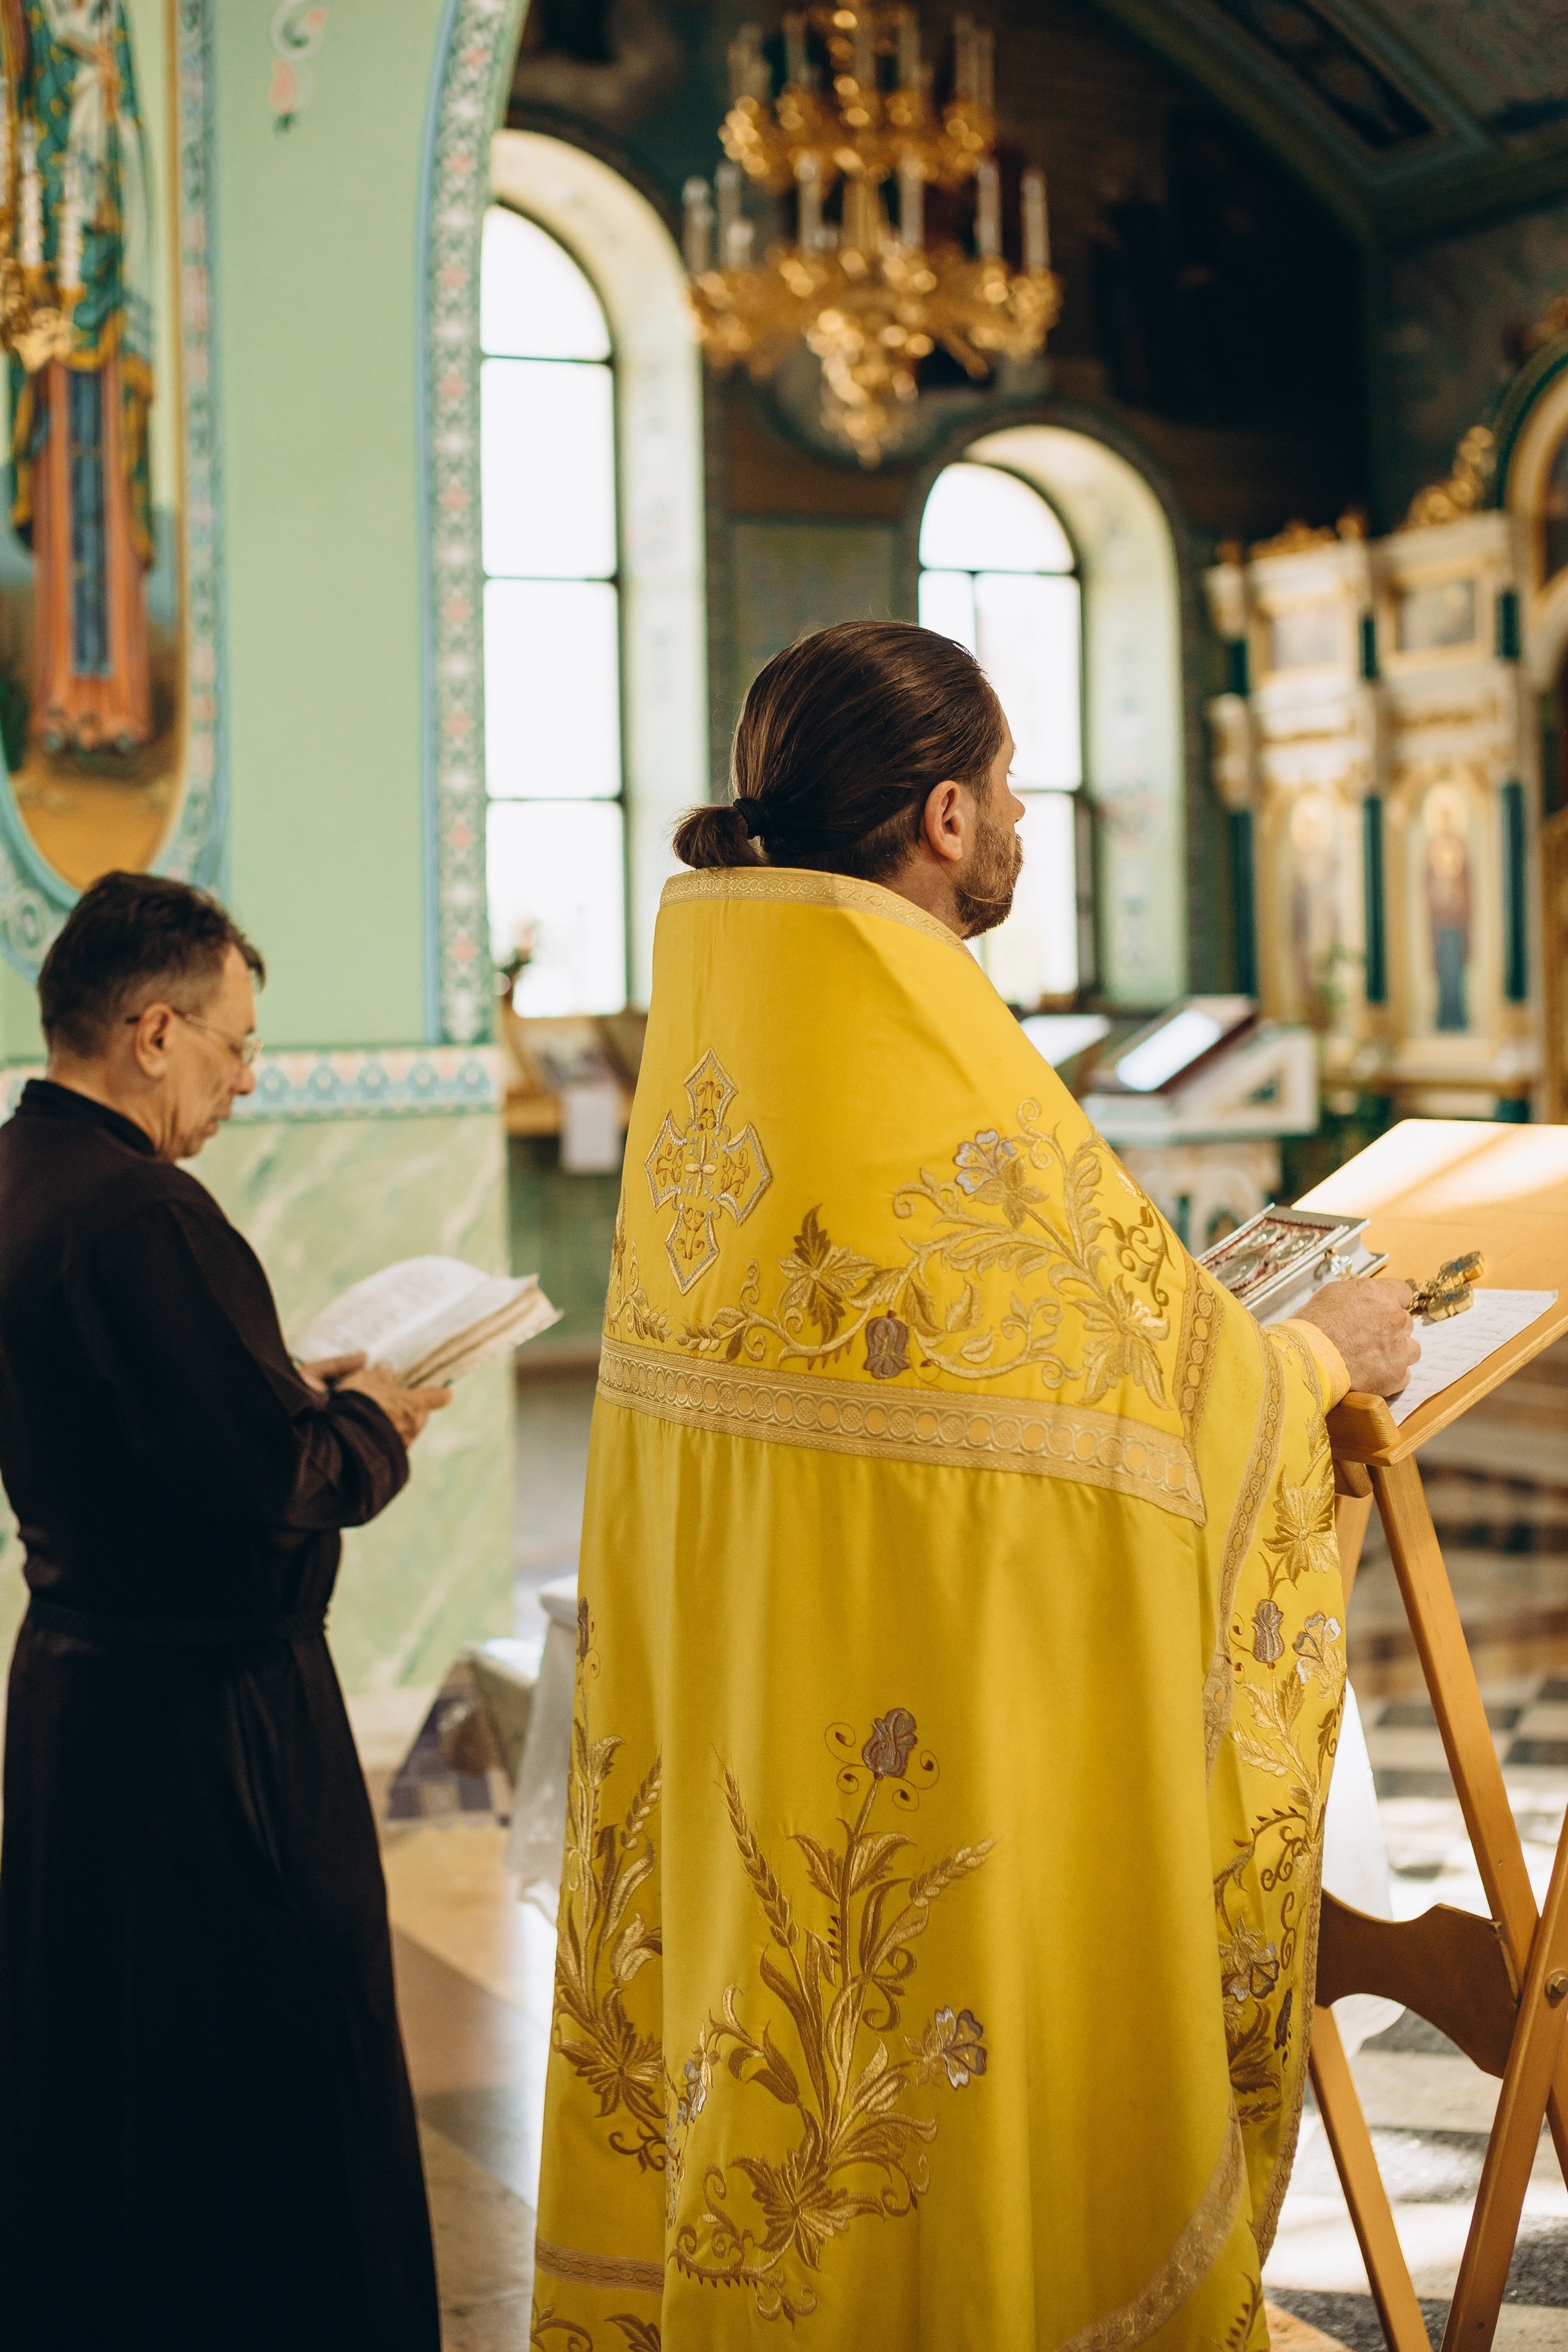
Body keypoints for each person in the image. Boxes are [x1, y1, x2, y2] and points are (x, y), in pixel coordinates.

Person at [530, 621, 1417, 2349]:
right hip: (943, 1727)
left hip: (777, 1697)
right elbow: (1156, 1421)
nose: (1016, 823)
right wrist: (1324, 1357)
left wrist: (1184, 1336)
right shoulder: (917, 1031)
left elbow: (1020, 1366)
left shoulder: (744, 1012)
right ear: (944, 817)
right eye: (1009, 791)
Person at [0, 871, 452, 2351]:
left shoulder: (23, 1175)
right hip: (210, 1733)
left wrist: (295, 1389)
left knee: (112, 2062)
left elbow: (147, 1427)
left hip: (82, 1698)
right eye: (235, 1045)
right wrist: (372, 1418)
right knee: (270, 2070)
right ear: (149, 1031)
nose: (245, 1079)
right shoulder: (145, 1213)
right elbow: (276, 1479)